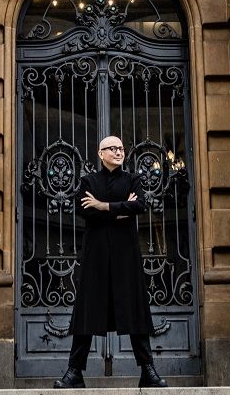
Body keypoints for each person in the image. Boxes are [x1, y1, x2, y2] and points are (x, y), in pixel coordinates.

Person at [53, 135, 168, 389]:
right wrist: (120, 209)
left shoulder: (132, 179)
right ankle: (74, 373)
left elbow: (139, 205)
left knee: (135, 312)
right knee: (87, 315)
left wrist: (103, 206)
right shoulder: (87, 181)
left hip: (126, 257)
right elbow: (84, 210)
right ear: (100, 153)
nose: (119, 152)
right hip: (95, 257)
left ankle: (148, 371)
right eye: (113, 148)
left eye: (121, 148)